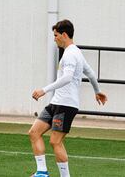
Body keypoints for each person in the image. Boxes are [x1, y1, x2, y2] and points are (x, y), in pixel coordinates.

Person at [28, 19, 108, 177]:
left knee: (55, 141)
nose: (54, 38)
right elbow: (91, 74)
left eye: (56, 35)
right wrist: (97, 91)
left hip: (66, 105)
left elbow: (67, 78)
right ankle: (42, 172)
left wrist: (44, 90)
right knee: (34, 132)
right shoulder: (75, 52)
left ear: (64, 34)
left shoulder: (71, 54)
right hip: (56, 103)